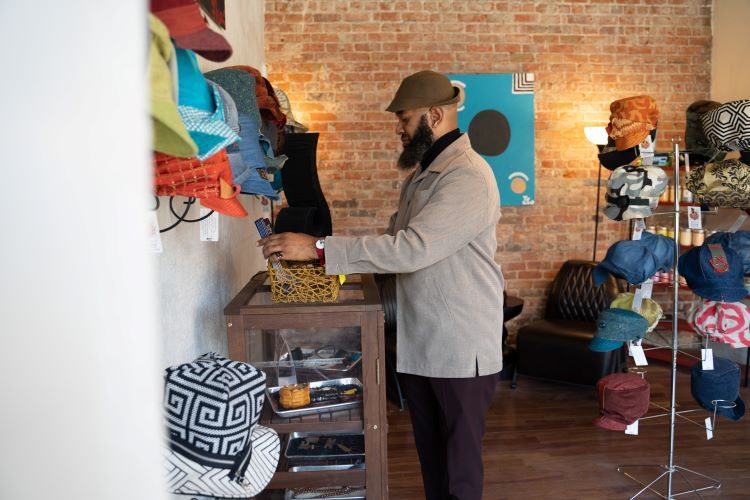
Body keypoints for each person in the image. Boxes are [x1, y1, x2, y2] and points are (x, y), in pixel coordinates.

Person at [258, 70, 505, 500]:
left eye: (404, 119)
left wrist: (318, 248)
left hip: (460, 346)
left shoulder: (466, 175)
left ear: (434, 114)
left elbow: (412, 249)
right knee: (433, 457)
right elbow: (391, 244)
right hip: (425, 339)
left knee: (460, 470)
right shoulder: (423, 176)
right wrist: (320, 266)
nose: (399, 128)